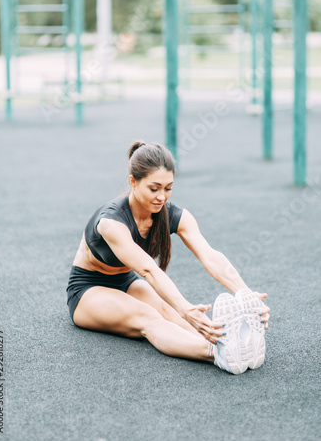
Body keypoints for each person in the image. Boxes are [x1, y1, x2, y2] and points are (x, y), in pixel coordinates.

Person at [66, 141, 270, 374]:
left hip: (125, 283)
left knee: (168, 311)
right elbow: (148, 270)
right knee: (147, 316)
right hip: (87, 290)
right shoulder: (112, 222)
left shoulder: (173, 215)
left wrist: (245, 294)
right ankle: (217, 354)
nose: (161, 196)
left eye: (168, 188)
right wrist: (185, 308)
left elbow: (210, 256)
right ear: (133, 182)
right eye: (154, 188)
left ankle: (224, 343)